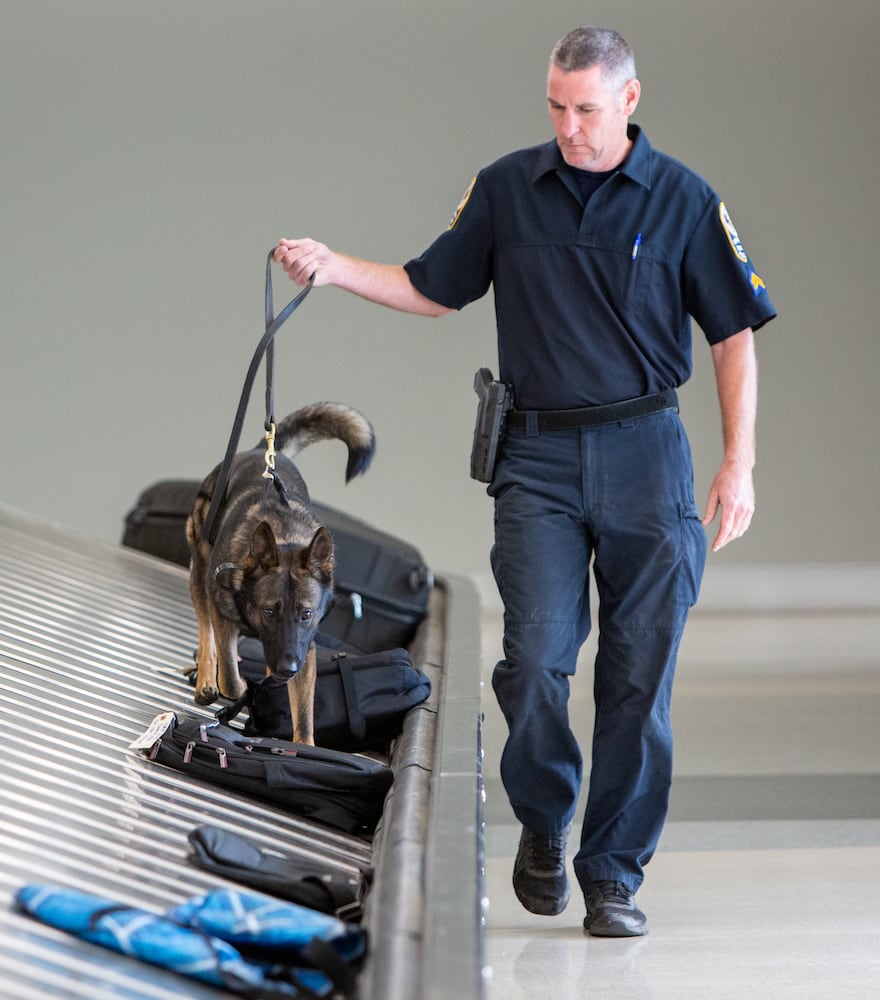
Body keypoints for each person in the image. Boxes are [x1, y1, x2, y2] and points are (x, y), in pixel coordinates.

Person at [274, 26, 776, 937]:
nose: (569, 127)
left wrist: (738, 462)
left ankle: (613, 875)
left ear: (627, 100)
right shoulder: (510, 188)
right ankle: (545, 822)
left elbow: (733, 333)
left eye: (586, 109)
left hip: (645, 454)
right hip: (537, 459)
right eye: (555, 106)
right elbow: (435, 286)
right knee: (536, 663)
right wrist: (335, 266)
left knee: (637, 679)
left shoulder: (684, 201)